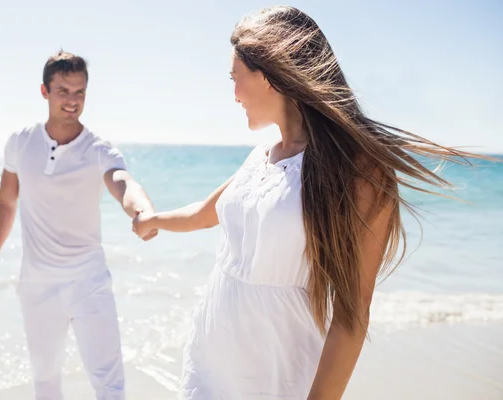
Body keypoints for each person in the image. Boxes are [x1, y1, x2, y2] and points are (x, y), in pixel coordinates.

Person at [132, 6, 488, 399]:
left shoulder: (358, 172)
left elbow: (353, 315)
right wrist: (153, 219)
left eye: (236, 79)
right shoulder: (262, 156)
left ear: (269, 75)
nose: (232, 95)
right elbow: (204, 214)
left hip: (279, 377)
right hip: (210, 362)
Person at [0, 50, 157, 400]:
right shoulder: (20, 142)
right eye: (63, 91)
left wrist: (141, 209)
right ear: (45, 91)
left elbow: (122, 181)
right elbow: (5, 202)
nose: (72, 101)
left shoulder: (98, 149)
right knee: (45, 380)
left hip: (88, 281)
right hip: (37, 284)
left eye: (80, 92)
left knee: (110, 382)